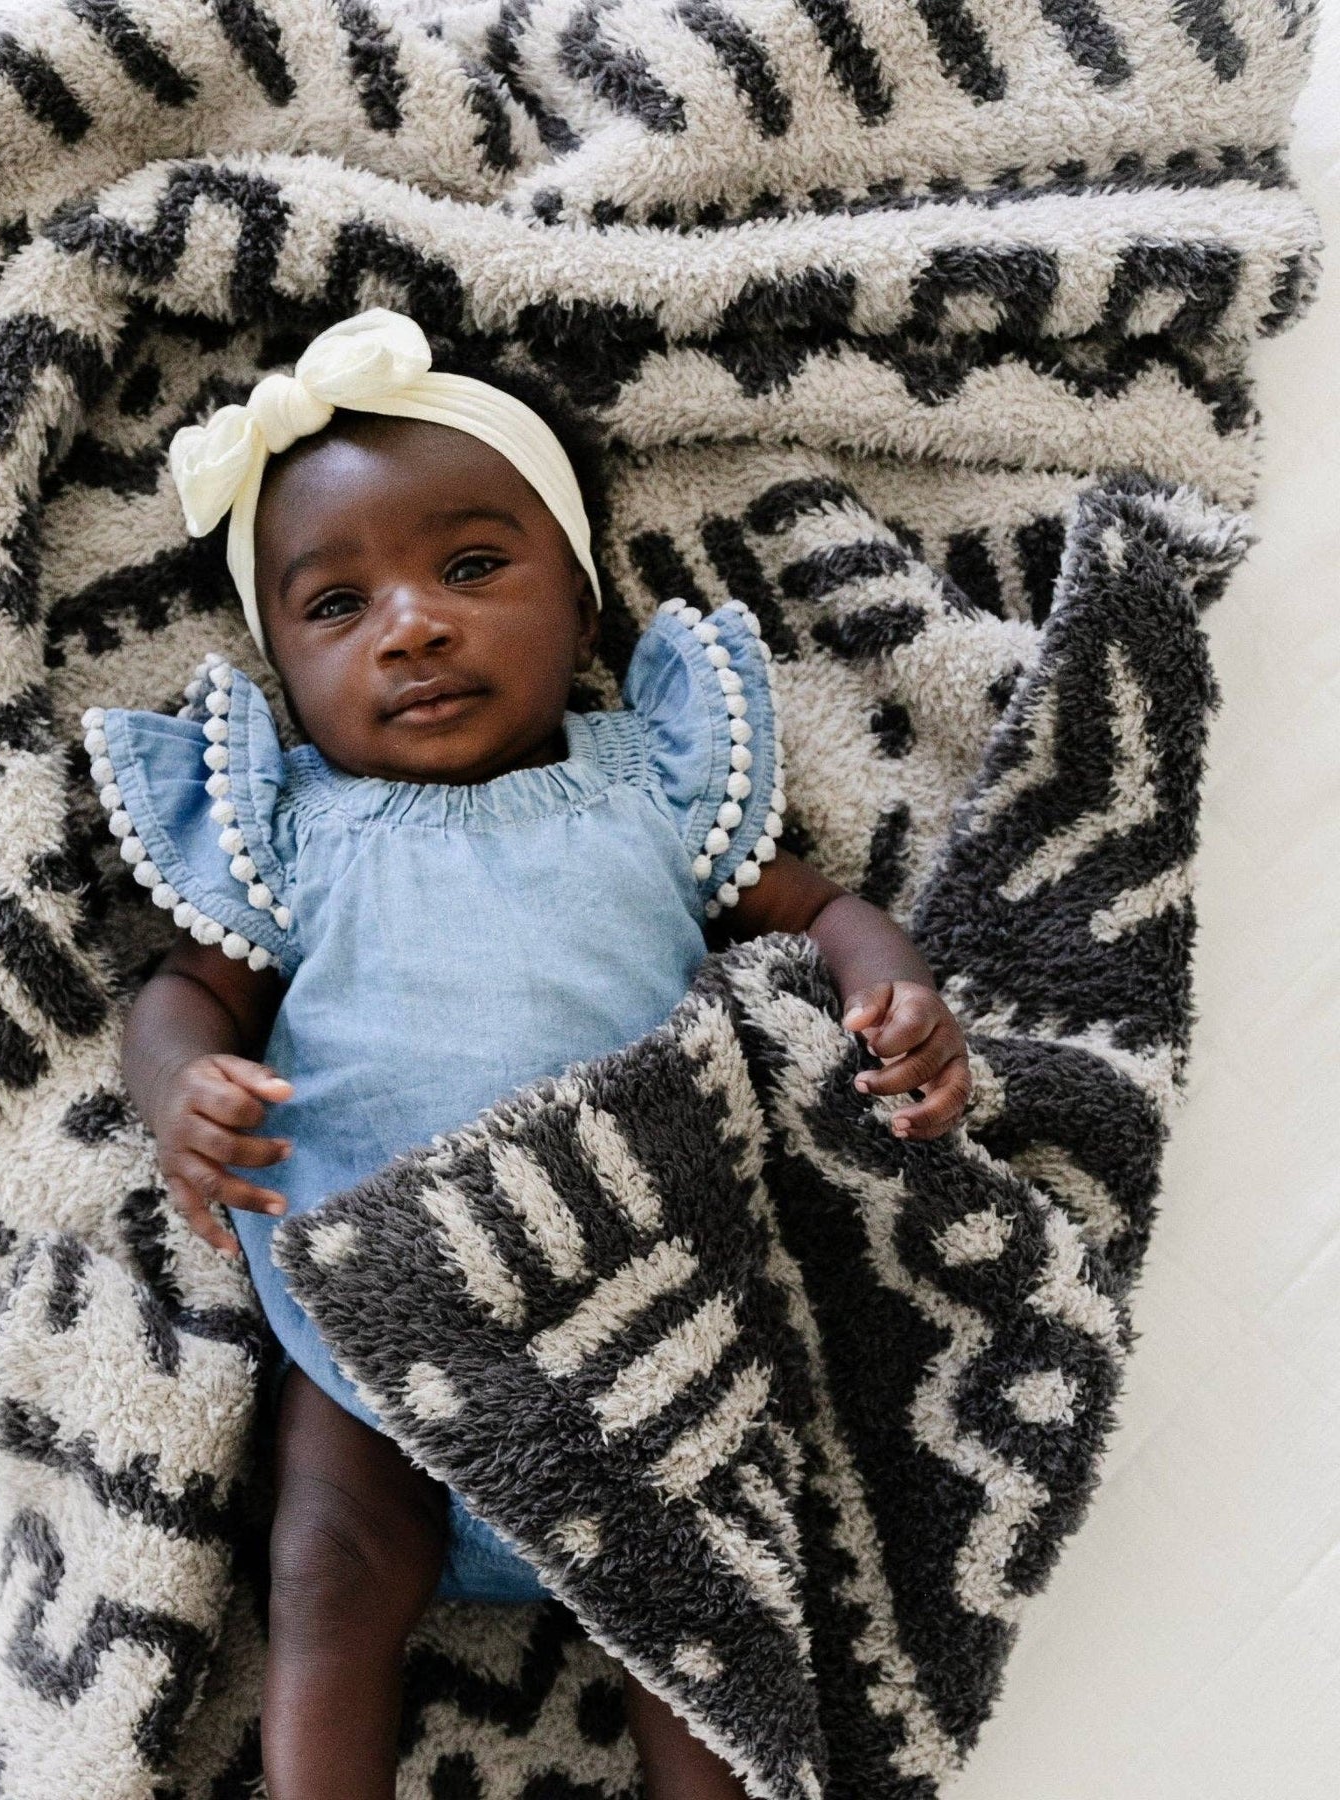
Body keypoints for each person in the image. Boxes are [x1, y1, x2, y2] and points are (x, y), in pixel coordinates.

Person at [83, 310, 970, 1799]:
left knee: (698, 1617)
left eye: (473, 569)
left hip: (642, 1314)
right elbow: (185, 993)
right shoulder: (291, 829)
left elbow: (817, 911)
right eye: (337, 605)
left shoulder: (657, 785)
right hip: (381, 1314)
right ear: (282, 668)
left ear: (582, 599)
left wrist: (891, 981)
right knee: (324, 1569)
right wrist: (180, 1085)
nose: (412, 628)